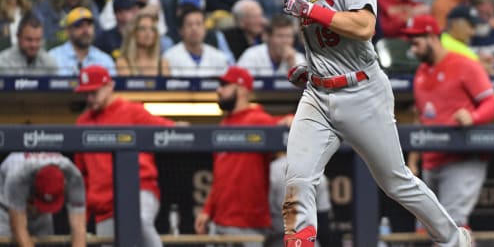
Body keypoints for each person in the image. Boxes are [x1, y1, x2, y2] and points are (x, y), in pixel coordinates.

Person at [280, 0, 472, 246]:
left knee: (395, 180)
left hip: (360, 91)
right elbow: (333, 37)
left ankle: (455, 239)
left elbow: (364, 26)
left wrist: (310, 11)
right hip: (319, 93)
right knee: (297, 179)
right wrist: (314, 68)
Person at [403, 14, 494, 232]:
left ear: (432, 37)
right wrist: (414, 159)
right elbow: (422, 118)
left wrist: (473, 117)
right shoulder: (421, 73)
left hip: (461, 155)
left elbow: (491, 103)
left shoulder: (464, 64)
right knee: (426, 229)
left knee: (452, 225)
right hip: (431, 159)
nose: (413, 50)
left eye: (416, 43)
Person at [74, 65, 177, 247]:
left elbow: (169, 130)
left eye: (94, 92)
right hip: (103, 205)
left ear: (109, 86)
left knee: (138, 220)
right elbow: (83, 175)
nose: (89, 98)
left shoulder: (132, 111)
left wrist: (187, 128)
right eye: (86, 94)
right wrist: (85, 213)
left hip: (139, 189)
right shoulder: (82, 122)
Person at [194, 66, 292, 246]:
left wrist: (290, 119)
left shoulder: (256, 119)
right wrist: (208, 210)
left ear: (241, 89)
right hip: (219, 222)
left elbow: (286, 122)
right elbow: (220, 177)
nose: (218, 90)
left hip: (248, 225)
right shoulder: (224, 124)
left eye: (224, 85)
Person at [0, 152, 86, 247]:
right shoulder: (17, 175)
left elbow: (79, 229)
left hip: (40, 215)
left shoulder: (74, 177)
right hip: (5, 209)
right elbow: (18, 229)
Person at [48, 7, 116, 76]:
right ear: (68, 31)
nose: (85, 30)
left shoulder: (105, 60)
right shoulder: (53, 57)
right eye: (79, 26)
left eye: (89, 25)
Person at [163, 7, 229, 77]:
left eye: (198, 24)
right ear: (181, 30)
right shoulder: (169, 58)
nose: (194, 28)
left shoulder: (218, 57)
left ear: (205, 28)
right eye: (189, 24)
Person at [237, 15, 305, 77]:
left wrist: (292, 64)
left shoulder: (298, 58)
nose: (285, 41)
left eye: (289, 36)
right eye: (280, 36)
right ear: (267, 37)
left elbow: (304, 87)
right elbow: (240, 82)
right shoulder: (251, 55)